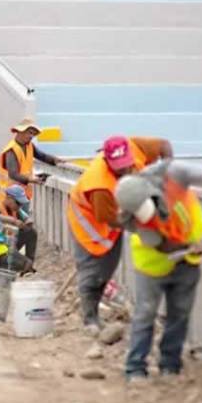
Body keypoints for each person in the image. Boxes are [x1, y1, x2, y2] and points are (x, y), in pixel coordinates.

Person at [115, 160, 202, 380]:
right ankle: (135, 367)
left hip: (187, 260)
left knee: (179, 314)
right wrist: (189, 247)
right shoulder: (134, 214)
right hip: (152, 265)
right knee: (145, 314)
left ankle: (170, 365)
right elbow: (161, 245)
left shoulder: (174, 174)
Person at [67, 134, 172, 331]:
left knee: (109, 265)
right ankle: (90, 319)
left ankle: (98, 303)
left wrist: (167, 176)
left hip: (118, 210)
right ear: (107, 161)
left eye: (127, 164)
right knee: (94, 269)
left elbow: (164, 146)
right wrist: (144, 226)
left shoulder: (136, 146)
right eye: (119, 168)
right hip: (90, 220)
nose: (125, 170)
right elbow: (108, 218)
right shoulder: (99, 185)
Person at [0, 182, 36, 273]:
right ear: (9, 198)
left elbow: (26, 218)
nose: (20, 206)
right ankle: (24, 265)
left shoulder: (15, 208)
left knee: (31, 233)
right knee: (25, 264)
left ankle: (27, 263)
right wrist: (13, 221)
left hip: (4, 245)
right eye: (18, 203)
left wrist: (28, 221)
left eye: (21, 204)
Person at [0, 119, 61, 201]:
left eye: (33, 134)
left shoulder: (30, 146)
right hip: (11, 195)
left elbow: (42, 156)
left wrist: (54, 160)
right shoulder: (12, 150)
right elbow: (13, 174)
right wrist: (30, 179)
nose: (32, 136)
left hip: (23, 194)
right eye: (30, 133)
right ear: (20, 131)